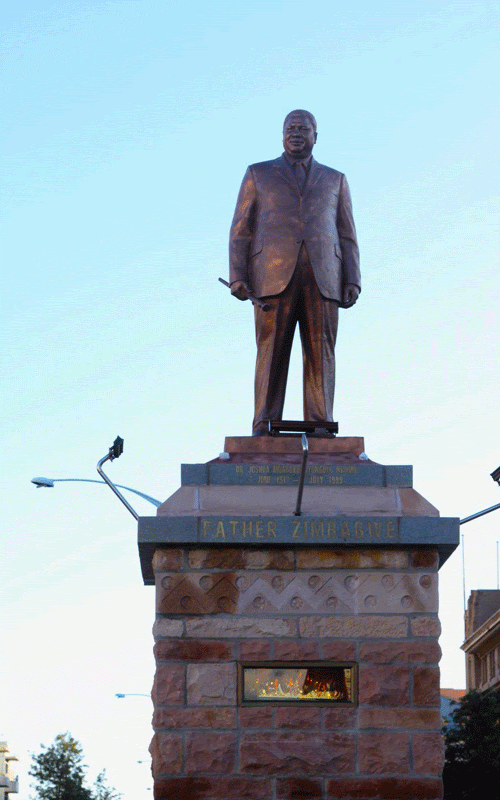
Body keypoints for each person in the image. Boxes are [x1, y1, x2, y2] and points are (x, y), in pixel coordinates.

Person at [229, 110, 360, 436]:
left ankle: (321, 424)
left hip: (324, 277)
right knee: (271, 351)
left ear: (316, 135)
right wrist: (238, 274)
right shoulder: (258, 174)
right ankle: (264, 422)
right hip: (271, 277)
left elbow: (347, 233)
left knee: (321, 351)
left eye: (304, 128)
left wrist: (352, 278)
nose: (297, 133)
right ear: (282, 134)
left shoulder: (335, 179)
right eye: (291, 128)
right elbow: (240, 229)